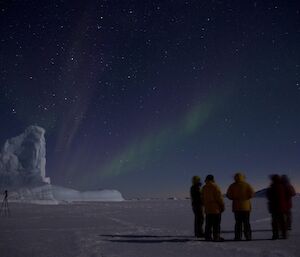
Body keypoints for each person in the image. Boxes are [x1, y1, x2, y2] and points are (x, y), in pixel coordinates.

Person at [226, 173, 254, 241]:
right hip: (246, 207)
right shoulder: (247, 185)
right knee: (246, 222)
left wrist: (234, 198)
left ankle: (238, 237)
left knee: (238, 223)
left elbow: (228, 195)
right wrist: (246, 198)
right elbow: (252, 193)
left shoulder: (232, 186)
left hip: (236, 207)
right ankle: (248, 236)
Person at [202, 175, 225, 241]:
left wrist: (205, 205)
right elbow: (219, 198)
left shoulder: (204, 187)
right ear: (212, 179)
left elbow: (202, 198)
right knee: (216, 224)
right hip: (216, 209)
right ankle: (216, 237)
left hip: (208, 209)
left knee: (208, 224)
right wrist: (222, 206)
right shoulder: (215, 187)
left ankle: (207, 237)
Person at [267, 174, 288, 239]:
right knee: (282, 221)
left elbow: (269, 196)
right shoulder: (283, 186)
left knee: (275, 222)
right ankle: (284, 235)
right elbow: (288, 195)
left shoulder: (271, 187)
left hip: (274, 207)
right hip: (282, 207)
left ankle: (275, 235)